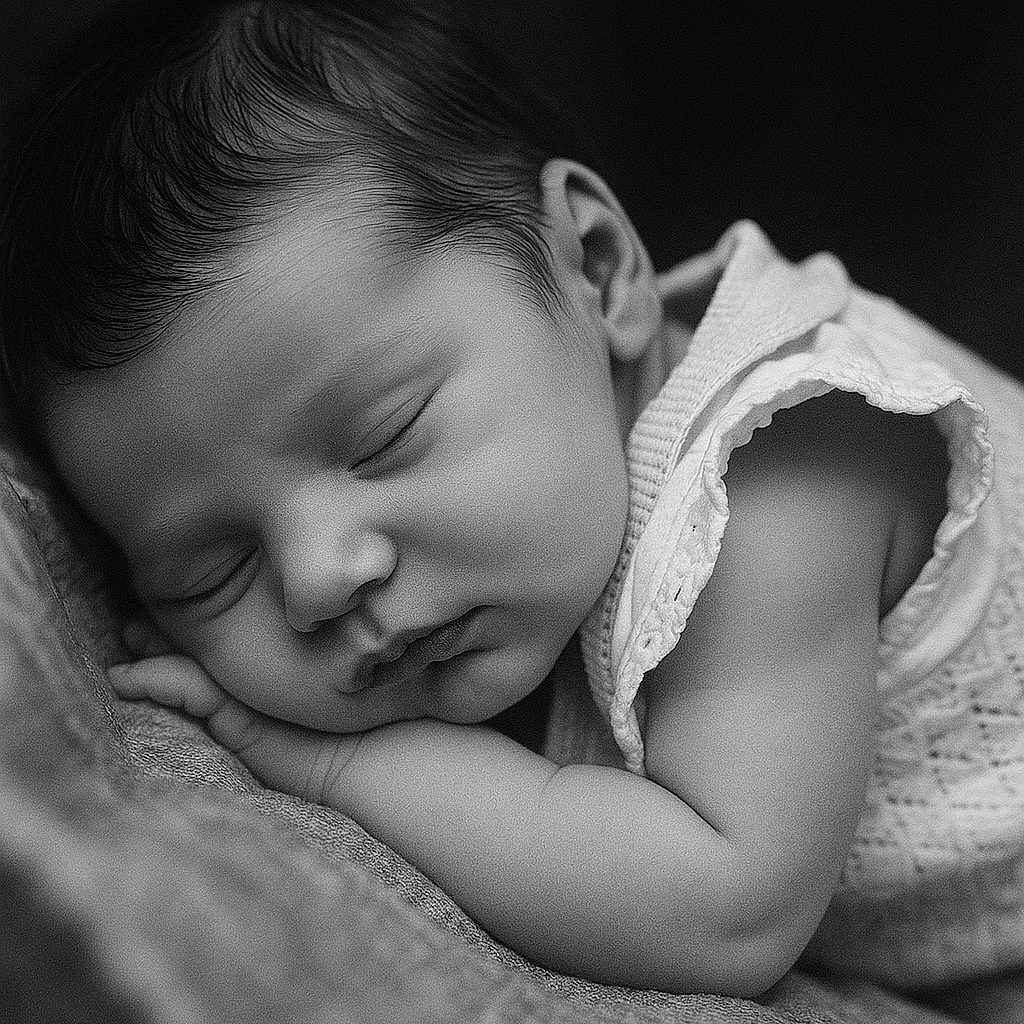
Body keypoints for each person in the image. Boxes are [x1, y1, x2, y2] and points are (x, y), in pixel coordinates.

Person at [3, 0, 1023, 1000]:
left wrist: (332, 767)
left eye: (385, 435)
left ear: (596, 264)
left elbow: (726, 906)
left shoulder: (776, 470)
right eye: (212, 570)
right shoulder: (539, 511)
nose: (319, 578)